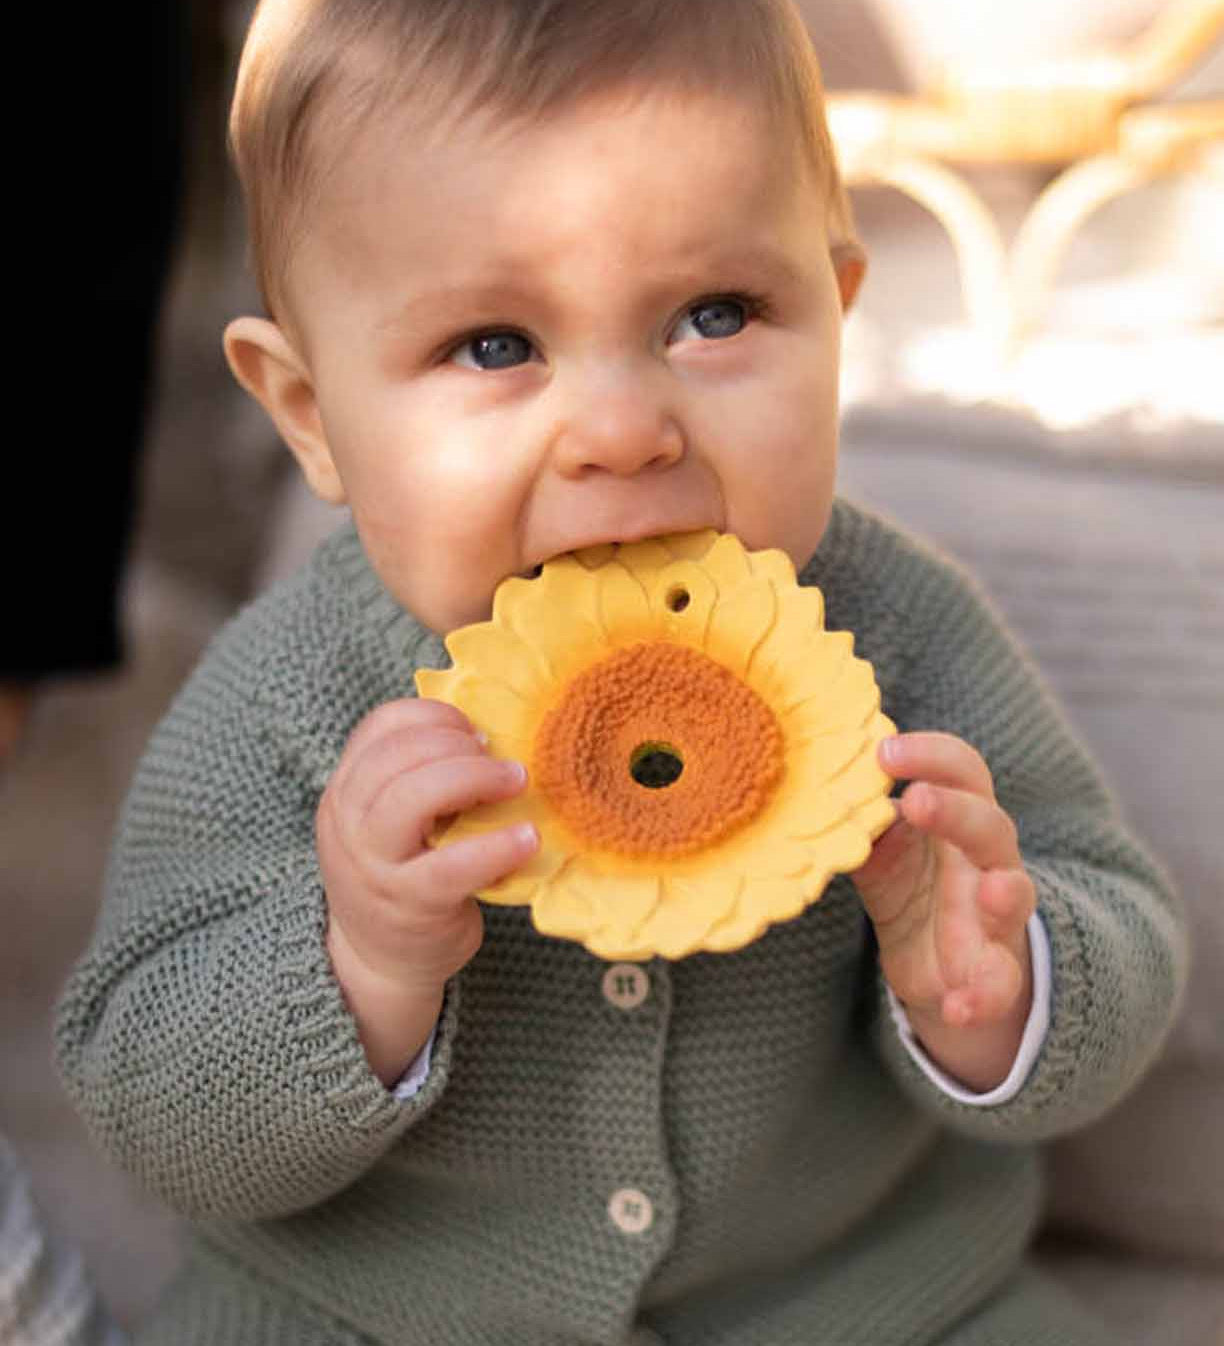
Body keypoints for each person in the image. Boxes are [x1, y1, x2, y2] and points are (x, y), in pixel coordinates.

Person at [54, 2, 1187, 1342]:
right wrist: (356, 963)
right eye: (494, 345)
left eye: (716, 314)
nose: (622, 430)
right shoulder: (292, 696)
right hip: (373, 1312)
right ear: (314, 417)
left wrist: (1001, 983)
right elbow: (144, 1097)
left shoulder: (897, 637)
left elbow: (1124, 928)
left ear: (840, 313)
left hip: (865, 1298)